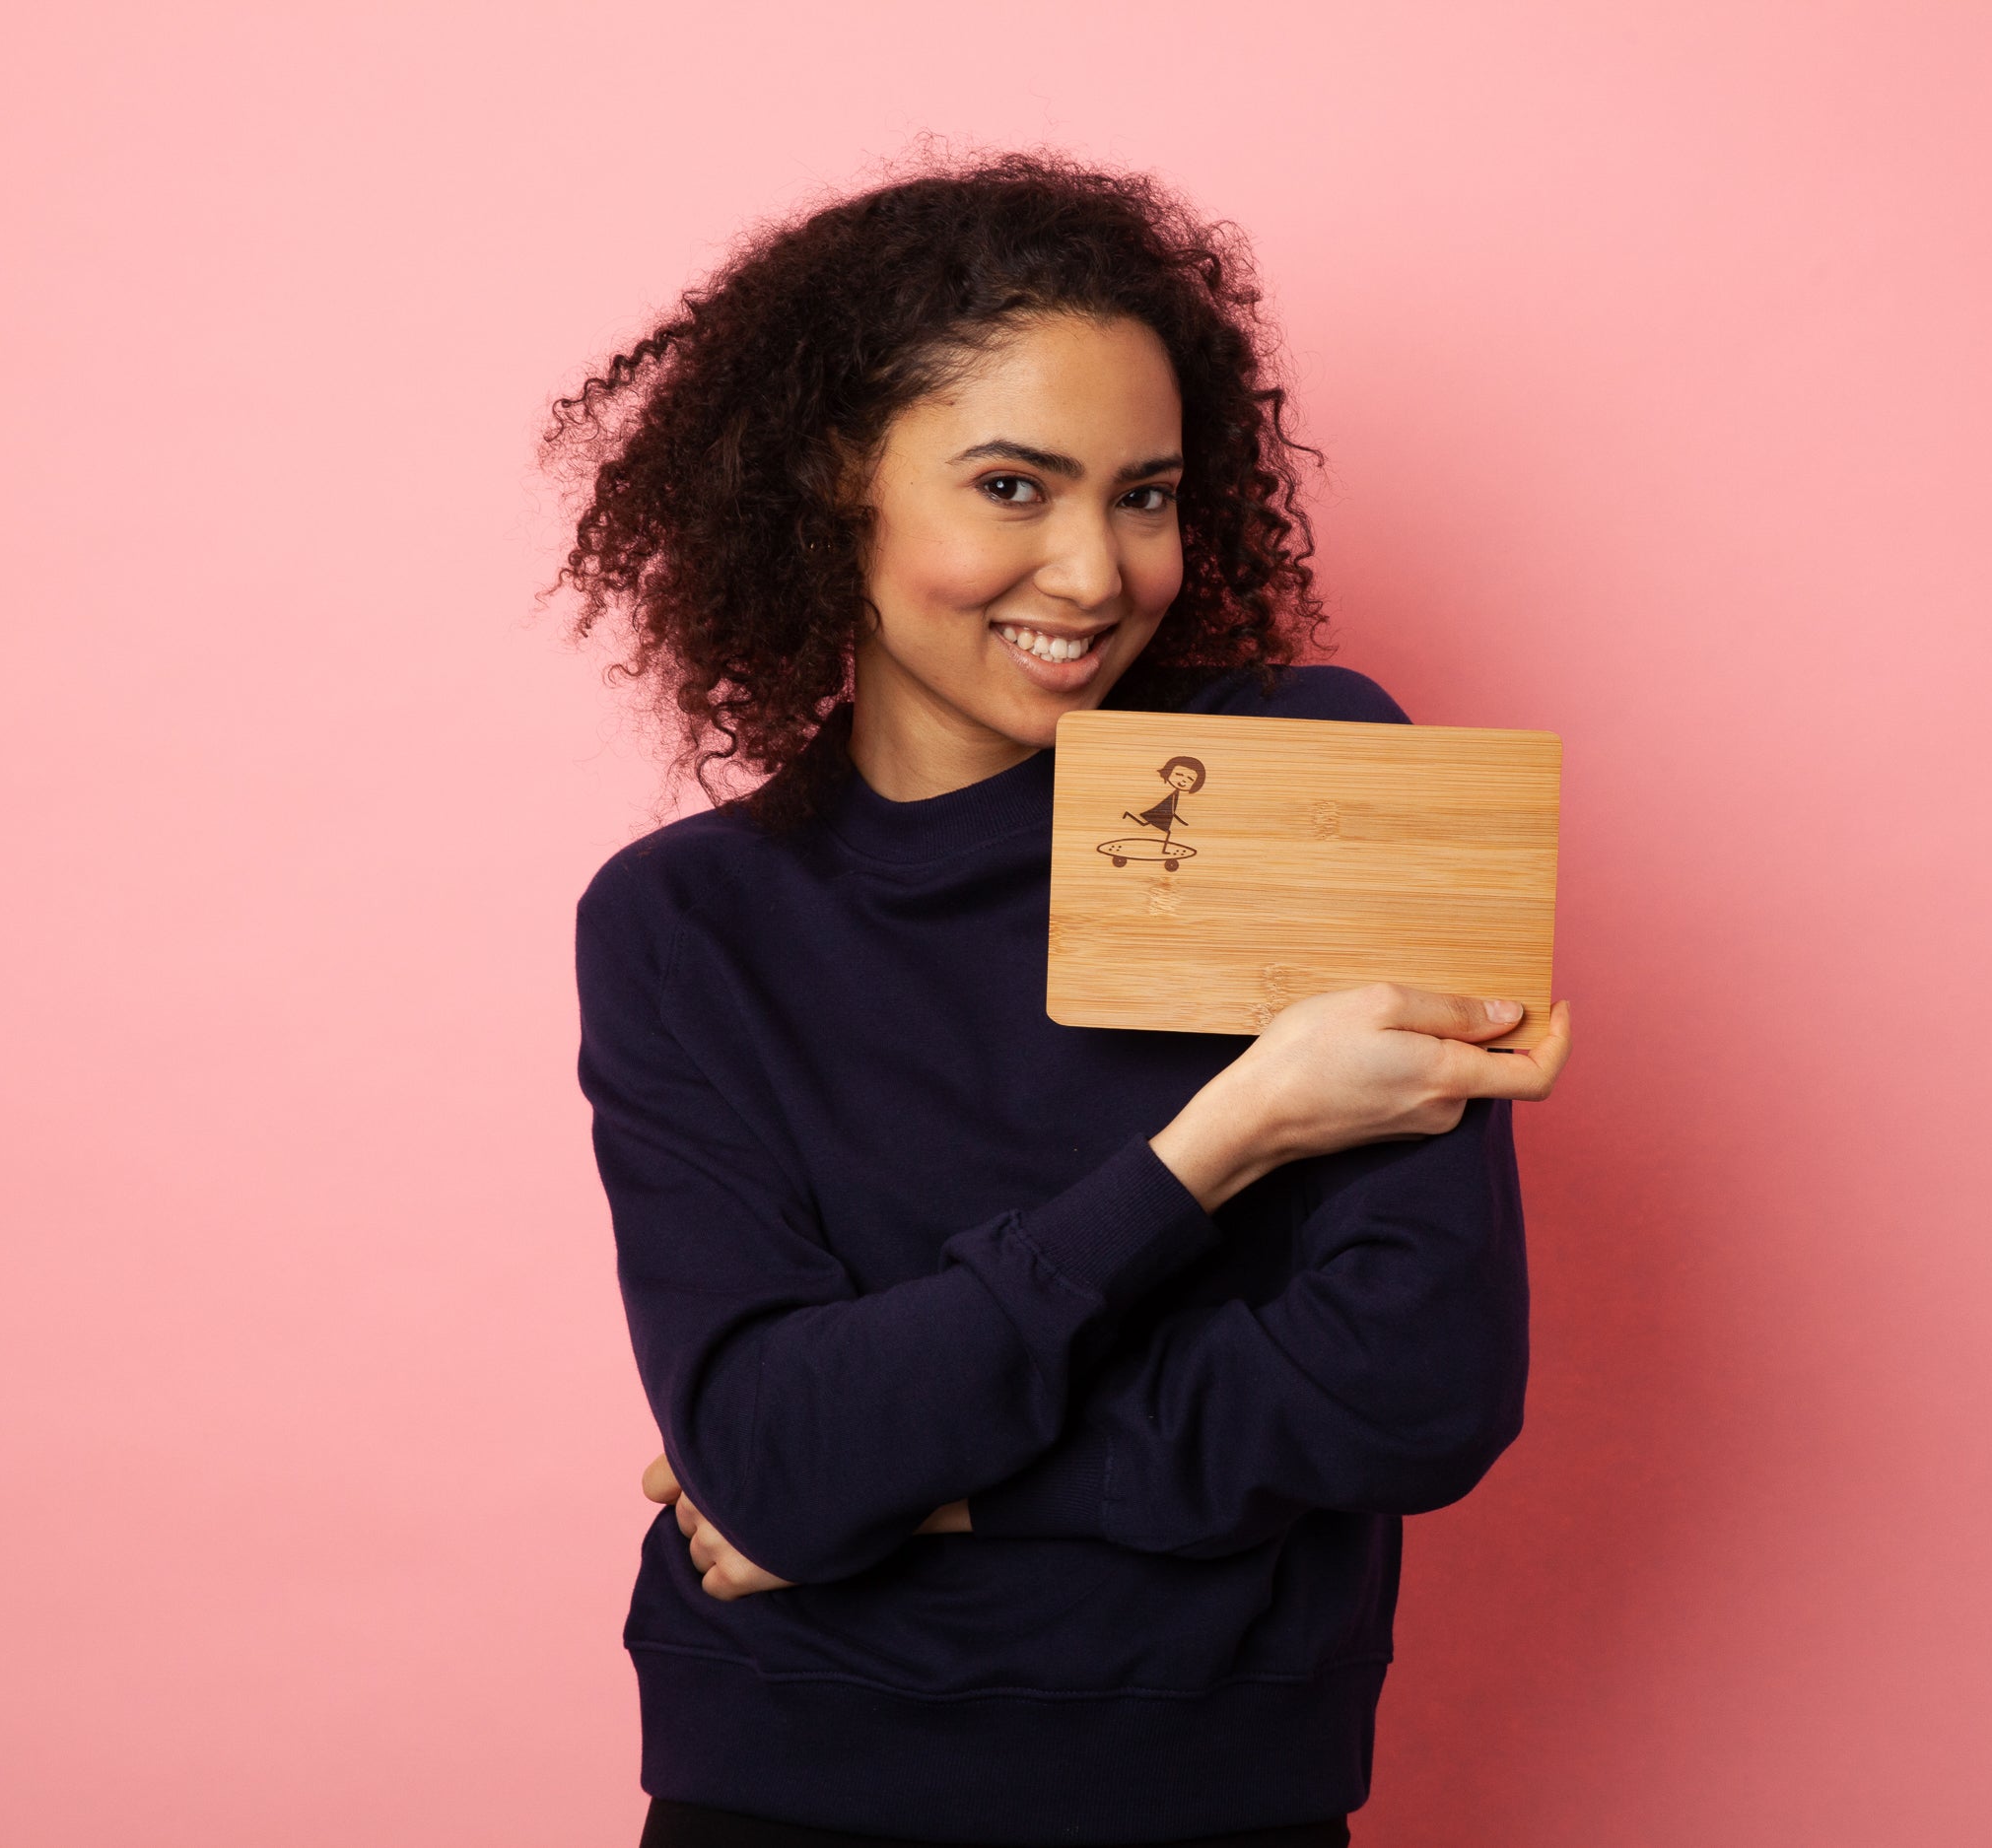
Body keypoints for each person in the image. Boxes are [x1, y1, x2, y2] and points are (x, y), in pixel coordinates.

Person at [554, 151, 1572, 1848]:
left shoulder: (1312, 782)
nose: (1097, 577)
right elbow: (773, 1452)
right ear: (836, 482)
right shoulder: (687, 921)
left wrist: (928, 1489)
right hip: (784, 1781)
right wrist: (1221, 1142)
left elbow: (1420, 1388)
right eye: (1014, 488)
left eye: (1146, 495)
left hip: (1213, 1789)